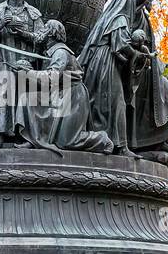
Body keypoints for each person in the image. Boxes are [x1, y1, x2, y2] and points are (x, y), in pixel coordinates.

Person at [80, 0, 168, 159]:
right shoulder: (122, 18)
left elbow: (136, 48)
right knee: (116, 104)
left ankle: (153, 140)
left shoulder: (126, 18)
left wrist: (153, 61)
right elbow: (122, 47)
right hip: (110, 65)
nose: (149, 0)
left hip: (124, 66)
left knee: (121, 103)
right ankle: (120, 145)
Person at [15, 20, 113, 154]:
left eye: (45, 28)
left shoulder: (60, 52)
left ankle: (102, 139)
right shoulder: (51, 52)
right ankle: (33, 139)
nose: (41, 30)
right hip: (58, 93)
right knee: (27, 99)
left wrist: (28, 73)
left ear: (52, 33)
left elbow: (52, 77)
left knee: (68, 141)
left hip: (73, 96)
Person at [0, 0, 44, 145]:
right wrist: (1, 24)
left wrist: (23, 33)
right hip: (3, 59)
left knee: (24, 96)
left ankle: (25, 137)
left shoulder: (33, 13)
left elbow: (42, 37)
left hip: (25, 60)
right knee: (1, 96)